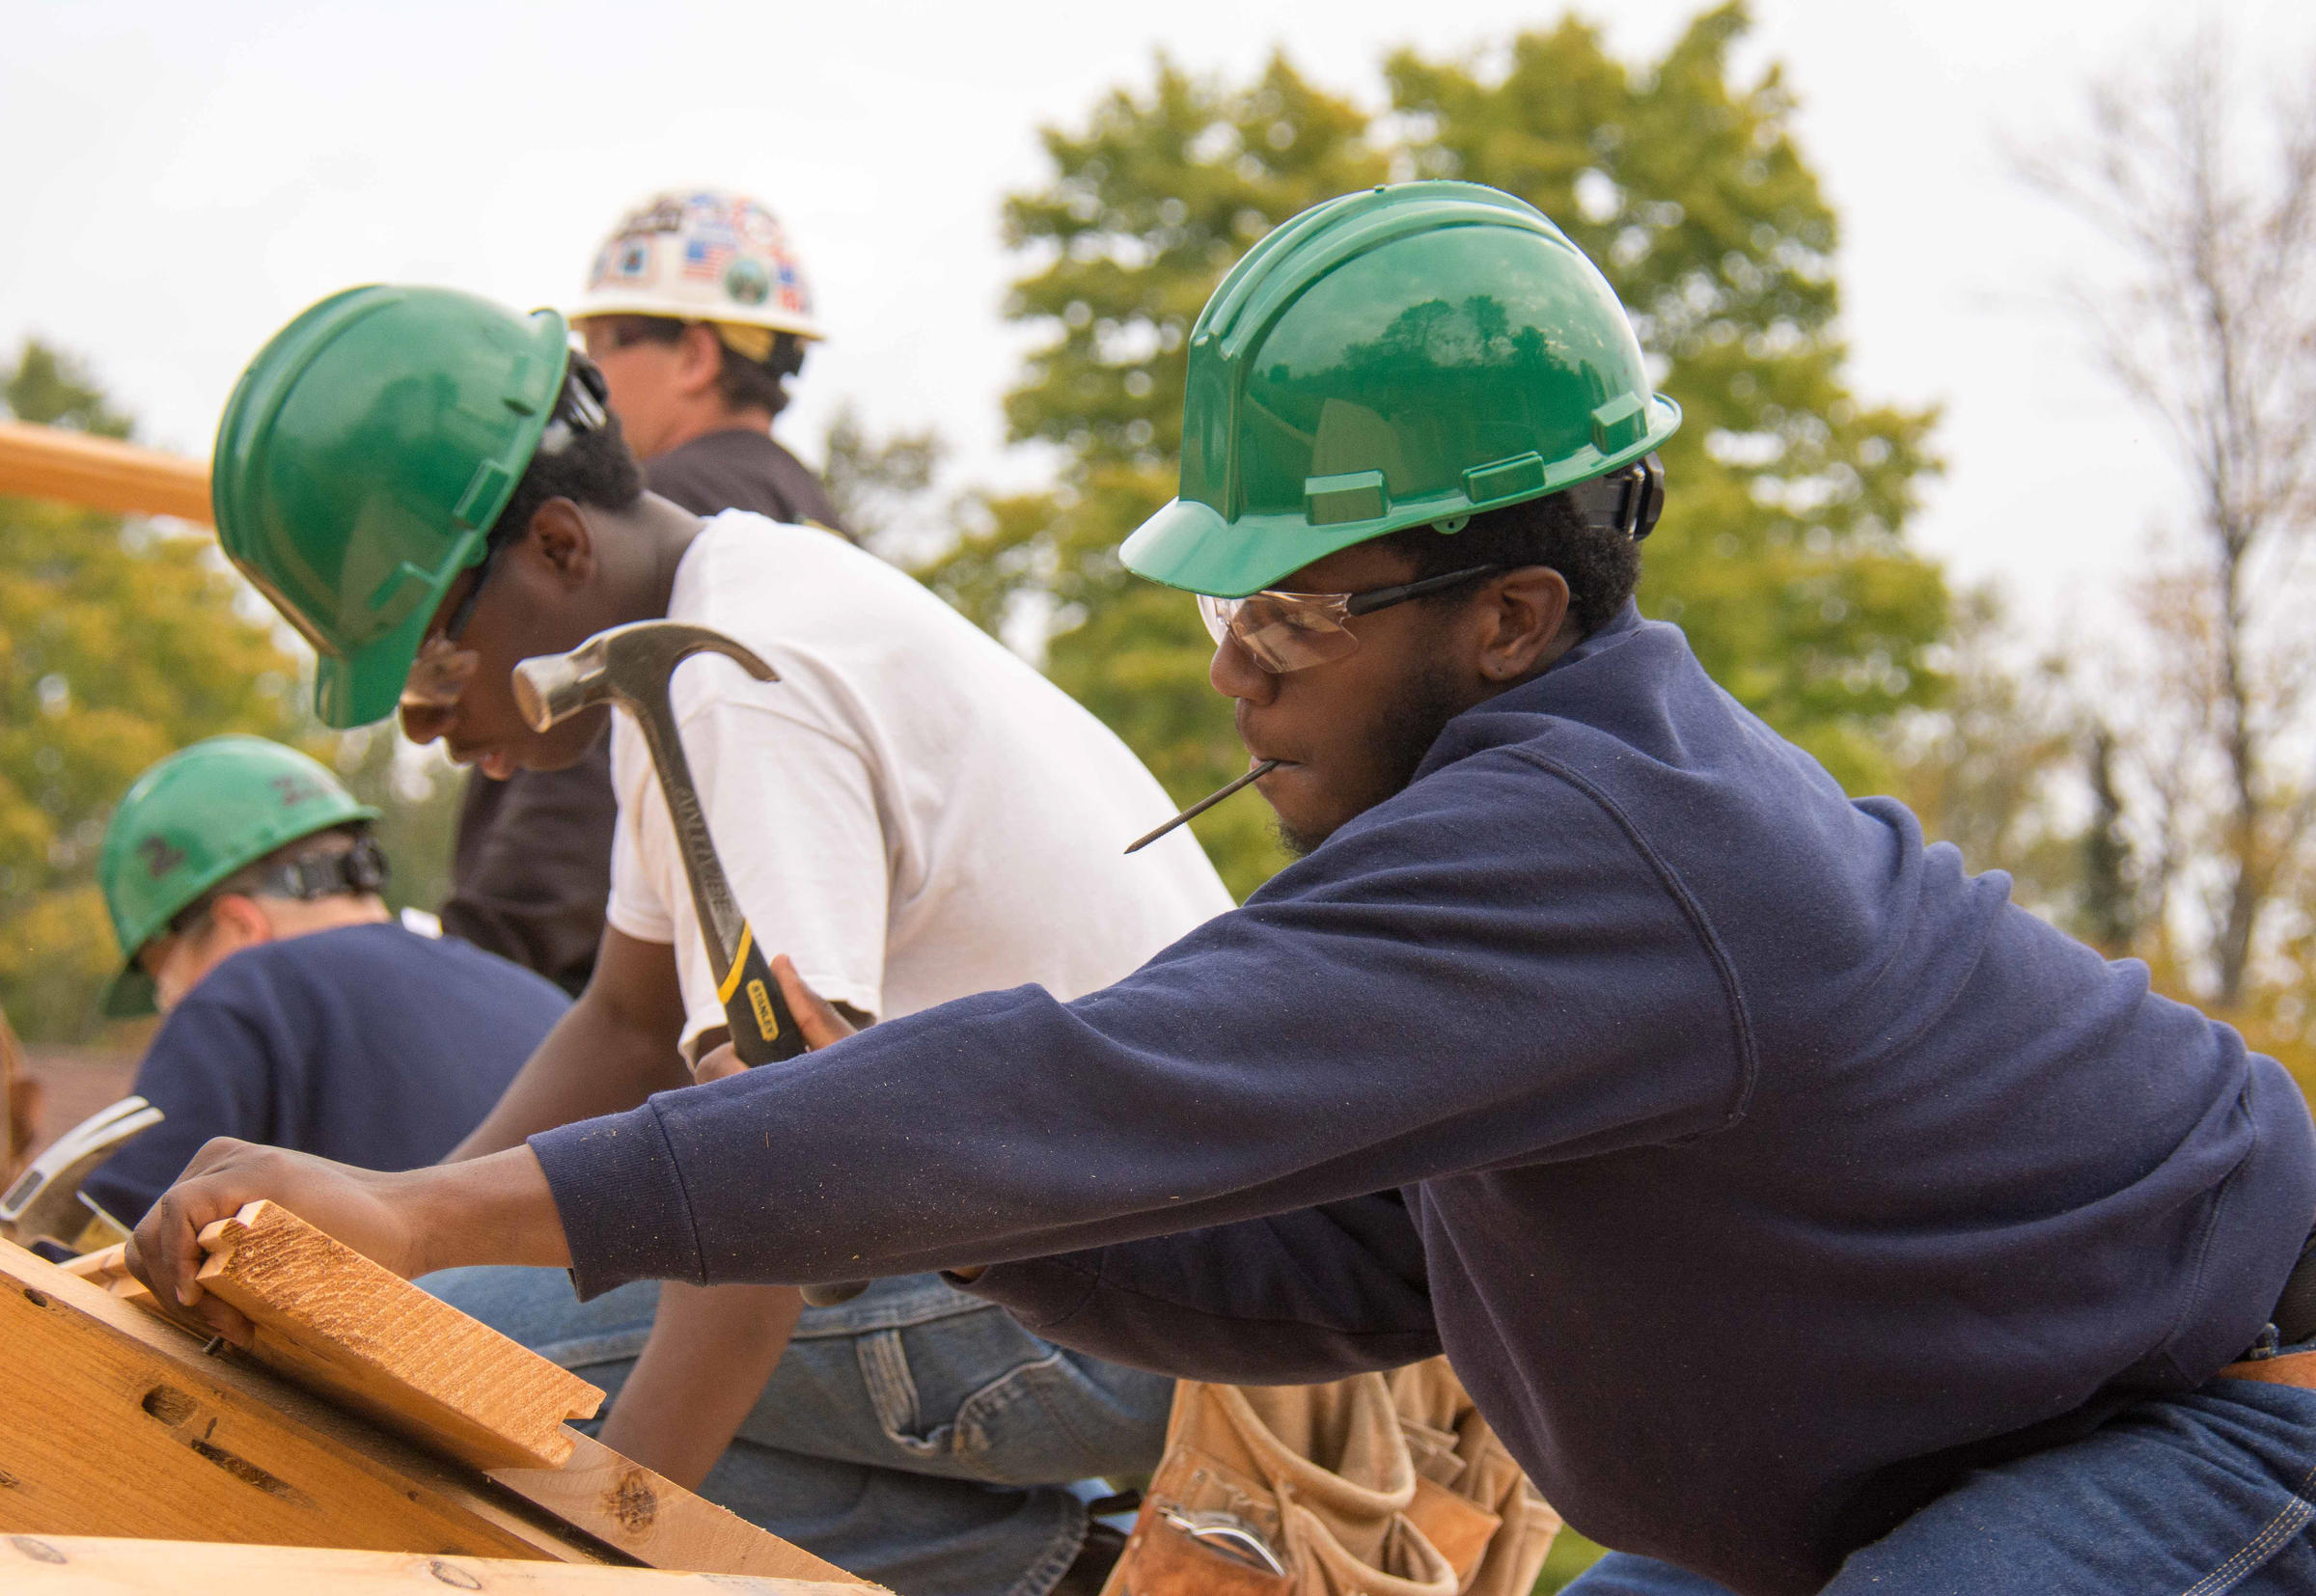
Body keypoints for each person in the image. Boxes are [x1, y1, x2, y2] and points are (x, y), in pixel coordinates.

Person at [133, 181, 2316, 1596]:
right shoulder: (1499, 860)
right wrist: (923, 1192)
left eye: (1302, 608)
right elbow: (1315, 1266)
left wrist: (434, 1231)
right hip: (1906, 1461)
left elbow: (1059, 1090)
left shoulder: (1592, 840)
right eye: (1222, 599)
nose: (1235, 655)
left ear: (1510, 615)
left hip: (2199, 1417)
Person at [185, 282, 1233, 1596]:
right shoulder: (725, 611)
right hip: (1141, 1257)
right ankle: (1042, 1566)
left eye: (434, 667)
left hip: (1144, 1304)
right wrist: (378, 1241)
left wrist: (598, 1555)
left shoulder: (741, 685)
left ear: (560, 548)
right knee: (415, 1330)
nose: (431, 728)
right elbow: (624, 1020)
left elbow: (777, 1184)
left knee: (445, 1380)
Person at [443, 187, 842, 996]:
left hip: (606, 989)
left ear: (695, 356)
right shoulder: (813, 520)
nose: (585, 379)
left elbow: (587, 765)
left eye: (601, 346)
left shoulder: (668, 520)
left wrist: (476, 967)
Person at [81, 736, 567, 1226]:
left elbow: (109, 1245)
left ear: (240, 927)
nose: (173, 1006)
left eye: (166, 976)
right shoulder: (551, 1010)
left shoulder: (246, 991)